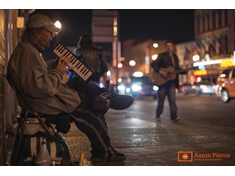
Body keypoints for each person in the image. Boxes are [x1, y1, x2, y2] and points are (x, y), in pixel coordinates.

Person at [7, 13, 134, 163]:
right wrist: (58, 72)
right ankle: (103, 150)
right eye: (49, 32)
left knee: (81, 83)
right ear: (37, 32)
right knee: (91, 110)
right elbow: (39, 88)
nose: (52, 36)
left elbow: (38, 78)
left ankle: (108, 97)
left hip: (48, 97)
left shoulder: (30, 50)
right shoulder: (28, 52)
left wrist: (55, 66)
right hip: (44, 103)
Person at [150, 40, 188, 122]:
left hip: (171, 82)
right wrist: (161, 72)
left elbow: (176, 69)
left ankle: (174, 116)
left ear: (173, 47)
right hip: (162, 82)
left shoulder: (175, 57)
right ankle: (158, 115)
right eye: (167, 46)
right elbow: (153, 64)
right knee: (161, 99)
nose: (169, 48)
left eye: (170, 46)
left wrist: (185, 71)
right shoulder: (161, 56)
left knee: (172, 100)